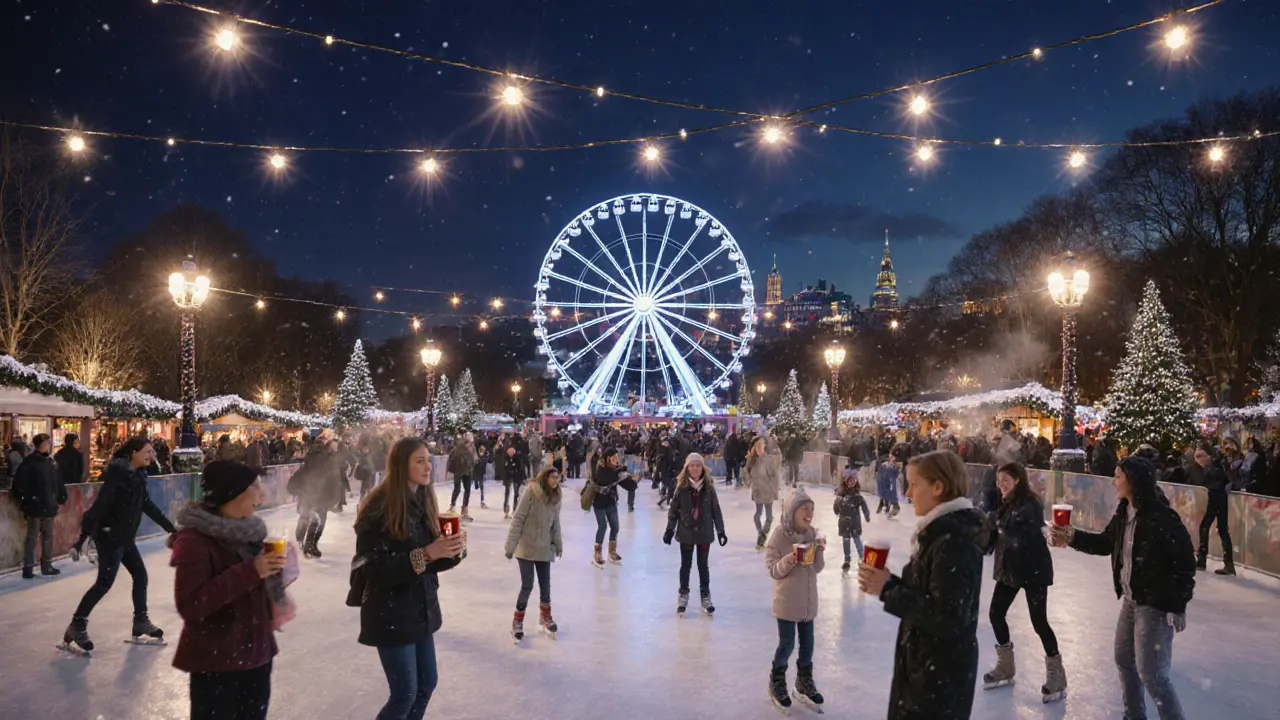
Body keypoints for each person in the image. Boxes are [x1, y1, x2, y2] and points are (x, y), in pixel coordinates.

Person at [1051, 457, 1196, 720]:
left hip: (1156, 603)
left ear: (1134, 481)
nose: (1113, 481)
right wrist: (1071, 536)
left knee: (1153, 674)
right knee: (1124, 659)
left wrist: (1178, 604)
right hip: (1131, 600)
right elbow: (1106, 543)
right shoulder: (1124, 511)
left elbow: (1185, 561)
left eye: (1118, 476)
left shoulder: (1160, 517)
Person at [858, 450, 989, 720]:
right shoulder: (939, 535)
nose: (907, 493)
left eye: (914, 484)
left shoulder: (953, 543)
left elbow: (947, 616)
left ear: (938, 487)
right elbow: (928, 597)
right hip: (926, 672)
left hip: (937, 683)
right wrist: (886, 582)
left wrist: (888, 589)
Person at [171, 461, 293, 720]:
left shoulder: (252, 532)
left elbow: (255, 590)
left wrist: (277, 574)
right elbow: (191, 604)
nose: (262, 496)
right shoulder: (195, 541)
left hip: (257, 656)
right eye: (255, 488)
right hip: (217, 664)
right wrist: (252, 571)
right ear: (233, 493)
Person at [354, 437, 465, 720]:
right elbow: (375, 571)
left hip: (420, 609)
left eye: (429, 459)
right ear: (401, 466)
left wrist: (452, 551)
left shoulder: (423, 501)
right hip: (390, 612)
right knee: (404, 693)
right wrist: (427, 554)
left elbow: (432, 561)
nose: (429, 466)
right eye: (420, 460)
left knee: (426, 684)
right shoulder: (377, 508)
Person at [63, 437, 176, 653]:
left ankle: (140, 620)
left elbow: (146, 504)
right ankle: (77, 624)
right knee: (104, 583)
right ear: (133, 452)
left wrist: (170, 527)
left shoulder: (138, 475)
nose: (152, 456)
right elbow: (100, 506)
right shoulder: (119, 475)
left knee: (140, 576)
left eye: (152, 452)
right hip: (109, 536)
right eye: (148, 451)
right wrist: (81, 539)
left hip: (124, 537)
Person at [982, 462, 1065, 702]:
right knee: (996, 614)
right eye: (998, 480)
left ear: (1018, 480)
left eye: (1005, 480)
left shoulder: (1030, 504)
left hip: (1033, 570)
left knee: (1039, 622)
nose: (1000, 485)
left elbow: (1019, 533)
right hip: (1010, 569)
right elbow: (997, 536)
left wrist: (995, 524)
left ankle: (1057, 675)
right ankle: (1006, 666)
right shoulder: (1005, 503)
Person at [764, 486, 825, 714]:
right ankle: (777, 682)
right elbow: (772, 570)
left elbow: (817, 568)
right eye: (805, 509)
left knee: (808, 646)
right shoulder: (780, 536)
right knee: (787, 644)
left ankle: (803, 682)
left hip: (808, 603)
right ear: (792, 511)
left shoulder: (812, 533)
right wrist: (790, 559)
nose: (809, 513)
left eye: (811, 509)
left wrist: (819, 551)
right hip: (788, 603)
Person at [503, 464, 563, 641]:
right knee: (527, 585)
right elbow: (518, 519)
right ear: (545, 478)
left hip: (544, 547)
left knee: (546, 585)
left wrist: (558, 544)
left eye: (558, 478)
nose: (556, 481)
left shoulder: (556, 498)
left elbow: (555, 524)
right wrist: (510, 546)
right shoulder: (531, 492)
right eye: (553, 477)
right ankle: (517, 620)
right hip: (527, 547)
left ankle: (545, 616)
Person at [663, 453, 727, 615]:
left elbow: (716, 511)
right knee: (686, 565)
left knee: (702, 565)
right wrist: (670, 529)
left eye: (698, 465)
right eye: (692, 465)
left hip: (704, 532)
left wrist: (720, 530)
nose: (695, 468)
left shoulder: (708, 488)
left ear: (702, 468)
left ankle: (705, 595)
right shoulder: (681, 488)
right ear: (687, 468)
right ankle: (683, 594)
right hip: (686, 532)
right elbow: (673, 511)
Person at [12, 433, 66, 578]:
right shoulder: (31, 462)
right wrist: (26, 499)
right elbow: (19, 484)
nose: (50, 445)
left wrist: (61, 494)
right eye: (48, 442)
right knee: (34, 536)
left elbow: (57, 481)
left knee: (46, 536)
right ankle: (30, 567)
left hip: (46, 505)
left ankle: (44, 565)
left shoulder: (50, 462)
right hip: (36, 506)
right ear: (42, 444)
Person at [1194, 447, 1235, 575]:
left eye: (1201, 456)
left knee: (1206, 527)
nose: (1198, 459)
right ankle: (1228, 564)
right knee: (1221, 530)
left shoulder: (1214, 467)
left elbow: (1211, 482)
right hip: (1219, 498)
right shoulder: (1214, 466)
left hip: (1216, 498)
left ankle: (1202, 560)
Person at [590, 447, 626, 568]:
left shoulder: (614, 469)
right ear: (607, 459)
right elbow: (606, 481)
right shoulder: (600, 470)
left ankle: (612, 551)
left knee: (615, 526)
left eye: (617, 458)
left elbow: (624, 483)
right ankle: (597, 552)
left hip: (611, 502)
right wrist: (619, 474)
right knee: (603, 526)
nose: (616, 461)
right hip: (599, 503)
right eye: (613, 458)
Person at [833, 469, 870, 574]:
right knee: (846, 540)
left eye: (854, 480)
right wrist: (837, 506)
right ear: (846, 481)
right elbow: (836, 508)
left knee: (857, 539)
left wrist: (866, 514)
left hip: (855, 522)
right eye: (850, 480)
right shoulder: (841, 495)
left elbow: (864, 505)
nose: (852, 482)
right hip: (844, 522)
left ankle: (862, 557)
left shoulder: (857, 495)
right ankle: (847, 559)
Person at [447, 433, 476, 520]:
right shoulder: (460, 447)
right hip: (459, 470)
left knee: (467, 490)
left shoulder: (471, 447)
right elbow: (454, 457)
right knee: (458, 489)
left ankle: (464, 509)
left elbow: (473, 458)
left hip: (466, 471)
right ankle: (453, 507)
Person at [502, 445, 526, 520]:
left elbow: (521, 468)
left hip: (516, 477)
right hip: (508, 477)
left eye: (510, 453)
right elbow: (504, 468)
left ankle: (515, 510)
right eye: (508, 453)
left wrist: (523, 478)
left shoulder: (518, 456)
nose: (509, 454)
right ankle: (506, 510)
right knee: (507, 494)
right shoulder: (506, 456)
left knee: (516, 494)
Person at [472, 443, 490, 509]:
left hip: (481, 473)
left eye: (484, 449)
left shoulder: (485, 455)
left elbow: (488, 461)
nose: (483, 450)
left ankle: (482, 501)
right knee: (474, 487)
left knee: (482, 488)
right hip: (476, 473)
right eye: (482, 449)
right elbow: (474, 463)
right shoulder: (476, 455)